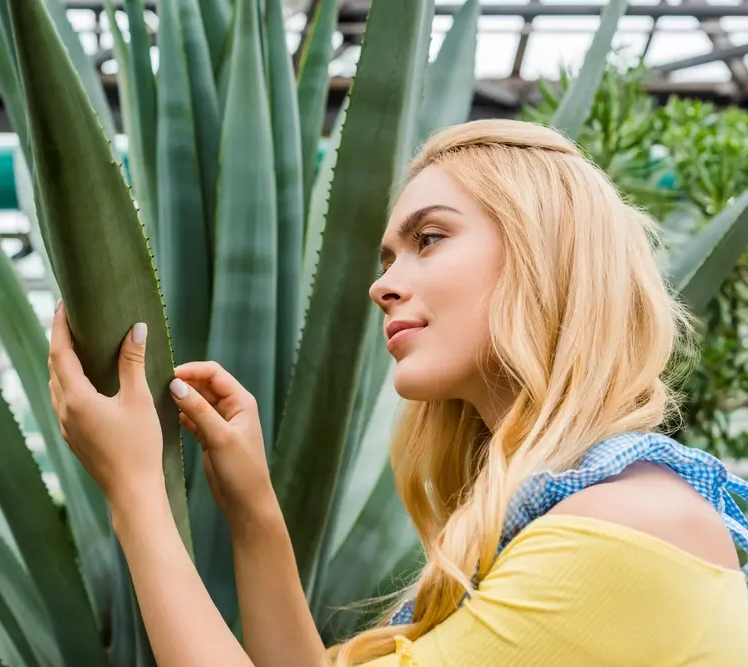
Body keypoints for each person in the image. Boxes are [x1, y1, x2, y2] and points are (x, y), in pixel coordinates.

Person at [46, 119, 748, 666]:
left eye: (429, 238)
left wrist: (135, 490)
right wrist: (252, 508)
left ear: (542, 253)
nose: (381, 284)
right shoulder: (592, 510)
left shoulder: (623, 530)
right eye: (387, 258)